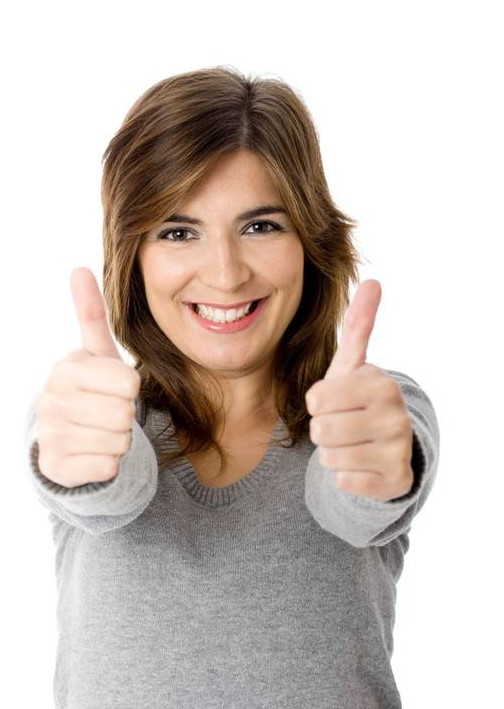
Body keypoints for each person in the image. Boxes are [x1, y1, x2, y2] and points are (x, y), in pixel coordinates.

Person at [23, 65, 440, 709]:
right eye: (178, 232)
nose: (224, 274)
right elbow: (109, 492)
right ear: (134, 257)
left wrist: (376, 468)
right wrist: (82, 462)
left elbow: (354, 505)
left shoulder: (376, 408)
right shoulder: (90, 410)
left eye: (261, 226)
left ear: (310, 242)